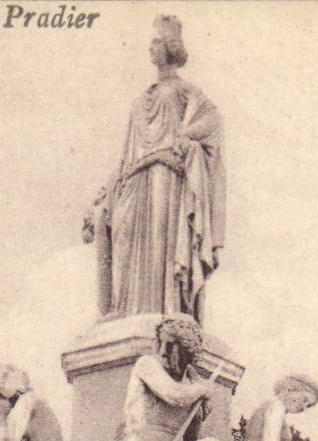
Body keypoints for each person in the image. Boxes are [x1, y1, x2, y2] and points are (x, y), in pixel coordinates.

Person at [85, 15, 224, 320]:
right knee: (123, 246)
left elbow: (212, 121)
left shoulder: (185, 91)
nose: (151, 46)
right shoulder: (141, 98)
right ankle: (124, 310)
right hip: (134, 181)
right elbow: (127, 154)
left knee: (160, 249)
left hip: (165, 179)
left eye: (157, 40)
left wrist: (185, 137)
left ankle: (166, 309)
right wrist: (104, 194)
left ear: (171, 46)